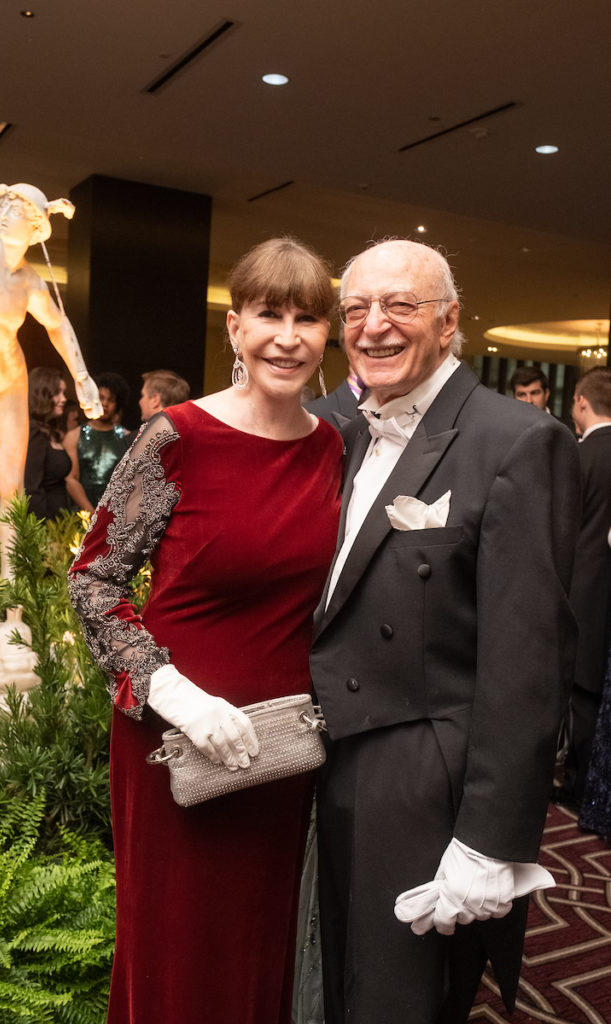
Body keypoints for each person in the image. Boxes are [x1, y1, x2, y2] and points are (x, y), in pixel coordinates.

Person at [67, 237, 343, 1024]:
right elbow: (93, 580)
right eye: (268, 315)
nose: (287, 337)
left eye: (306, 318)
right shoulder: (177, 438)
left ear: (327, 335)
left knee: (260, 937)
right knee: (179, 937)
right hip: (177, 735)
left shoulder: (331, 448)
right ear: (234, 327)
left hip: (283, 741)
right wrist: (171, 693)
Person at [309, 239, 581, 1024]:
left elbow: (525, 662)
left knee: (397, 997)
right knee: (323, 976)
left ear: (448, 321)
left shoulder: (517, 440)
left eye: (400, 305)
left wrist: (491, 841)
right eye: (355, 309)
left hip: (421, 777)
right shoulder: (333, 426)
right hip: (319, 756)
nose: (373, 326)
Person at [0, 63, 101, 577]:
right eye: (8, 208)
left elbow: (58, 325)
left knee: (11, 484)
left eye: (23, 214)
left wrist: (82, 378)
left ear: (36, 230)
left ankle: (12, 581)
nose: (11, 216)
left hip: (8, 376)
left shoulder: (31, 281)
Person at [563, 367, 611, 808]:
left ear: (581, 401)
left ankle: (581, 788)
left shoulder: (580, 456)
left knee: (582, 694)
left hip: (584, 587)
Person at [63, 372, 131, 511]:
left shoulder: (127, 437)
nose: (105, 404)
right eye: (101, 398)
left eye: (111, 400)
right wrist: (91, 513)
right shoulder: (74, 436)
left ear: (117, 404)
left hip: (116, 515)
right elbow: (71, 479)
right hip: (81, 514)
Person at [24, 367, 73, 519]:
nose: (64, 399)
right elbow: (32, 489)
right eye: (57, 393)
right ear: (42, 395)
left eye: (63, 393)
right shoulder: (34, 432)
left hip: (59, 523)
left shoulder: (50, 431)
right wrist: (44, 532)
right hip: (45, 525)